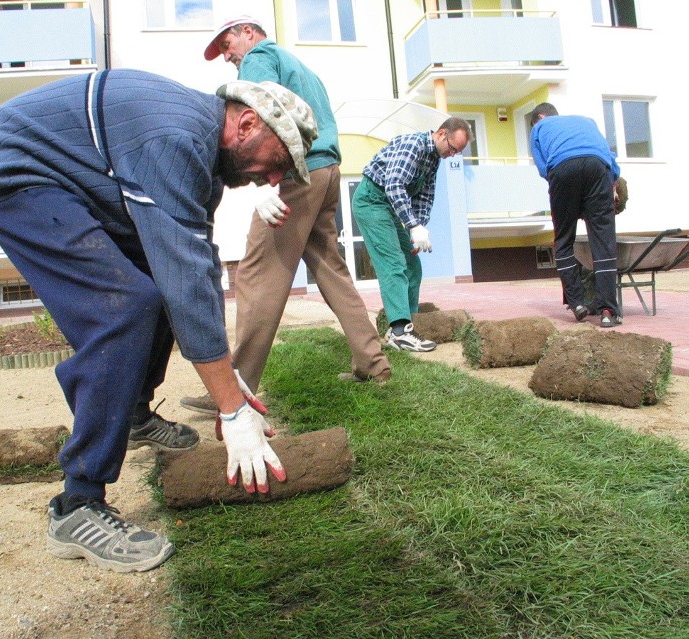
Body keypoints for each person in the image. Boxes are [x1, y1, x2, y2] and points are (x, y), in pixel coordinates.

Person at [0, 69, 318, 572]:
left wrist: (226, 381)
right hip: (12, 174)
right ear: (247, 123)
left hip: (72, 181)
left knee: (164, 285)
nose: (274, 178)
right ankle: (77, 506)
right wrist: (233, 413)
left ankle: (130, 415)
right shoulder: (175, 138)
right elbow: (184, 276)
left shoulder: (202, 159)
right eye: (277, 162)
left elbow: (195, 267)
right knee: (123, 308)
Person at [180, 15, 391, 416]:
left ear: (249, 32)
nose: (228, 56)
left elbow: (256, 119)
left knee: (259, 273)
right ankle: (374, 365)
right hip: (327, 171)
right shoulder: (302, 68)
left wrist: (268, 187)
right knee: (331, 269)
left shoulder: (258, 57)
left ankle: (235, 386)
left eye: (227, 45)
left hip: (295, 172)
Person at [351, 118, 473, 352]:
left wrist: (416, 229)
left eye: (457, 152)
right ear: (440, 134)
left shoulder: (433, 159)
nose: (452, 154)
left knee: (412, 265)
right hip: (372, 201)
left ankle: (409, 325)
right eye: (452, 148)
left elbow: (425, 198)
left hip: (391, 208)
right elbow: (394, 185)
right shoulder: (413, 145)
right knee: (394, 264)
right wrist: (413, 225)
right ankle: (399, 332)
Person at [529, 102, 623, 328]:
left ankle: (577, 303)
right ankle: (608, 310)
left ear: (540, 116)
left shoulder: (538, 128)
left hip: (562, 170)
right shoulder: (587, 122)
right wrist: (611, 184)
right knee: (603, 241)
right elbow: (611, 162)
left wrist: (567, 197)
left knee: (563, 239)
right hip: (598, 168)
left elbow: (544, 169)